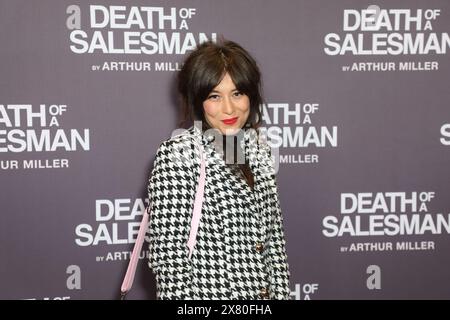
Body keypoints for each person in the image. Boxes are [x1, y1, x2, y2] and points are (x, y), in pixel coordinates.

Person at [147, 38, 290, 300]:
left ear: (251, 95)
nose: (229, 108)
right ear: (198, 100)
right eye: (215, 96)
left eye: (237, 93)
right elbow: (170, 262)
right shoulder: (178, 155)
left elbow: (274, 247)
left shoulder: (259, 149)